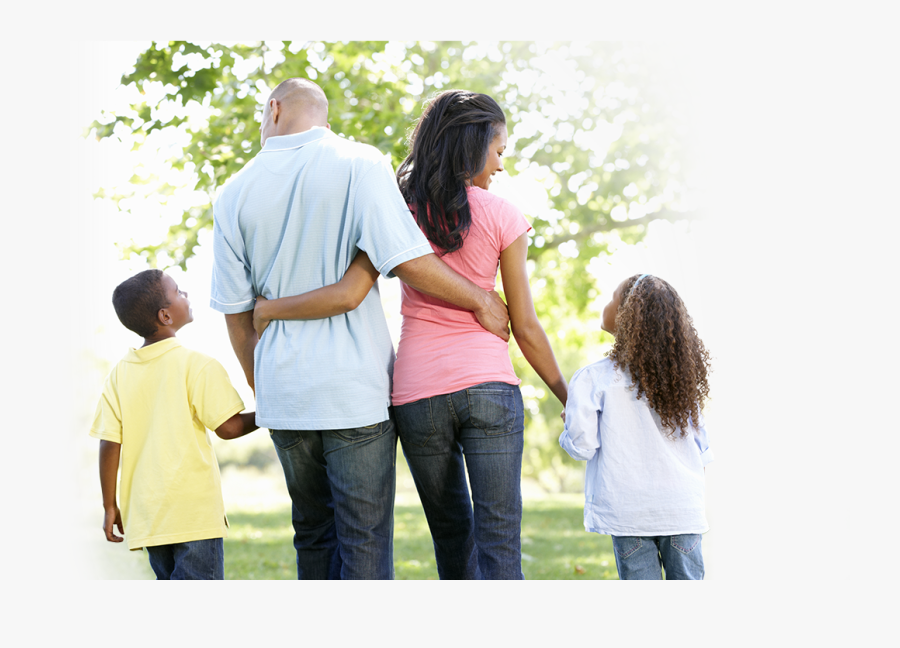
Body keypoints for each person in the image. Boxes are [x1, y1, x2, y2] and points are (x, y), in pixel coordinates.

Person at [254, 89, 568, 580]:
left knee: (451, 539)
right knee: (500, 540)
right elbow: (523, 326)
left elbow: (350, 289)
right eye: (499, 150)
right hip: (487, 387)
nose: (501, 165)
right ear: (474, 143)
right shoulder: (504, 215)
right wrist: (567, 394)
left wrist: (268, 309)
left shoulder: (398, 209)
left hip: (417, 396)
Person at [90, 270, 258, 580]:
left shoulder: (118, 375)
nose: (187, 295)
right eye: (179, 292)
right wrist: (269, 413)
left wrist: (109, 504)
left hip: (148, 516)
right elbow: (229, 428)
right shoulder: (197, 365)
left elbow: (109, 443)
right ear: (165, 315)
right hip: (193, 515)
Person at [559, 273, 713, 580]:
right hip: (682, 510)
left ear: (627, 315)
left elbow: (582, 446)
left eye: (611, 298)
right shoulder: (680, 380)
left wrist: (570, 424)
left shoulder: (595, 378)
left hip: (631, 514)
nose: (606, 305)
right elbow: (703, 451)